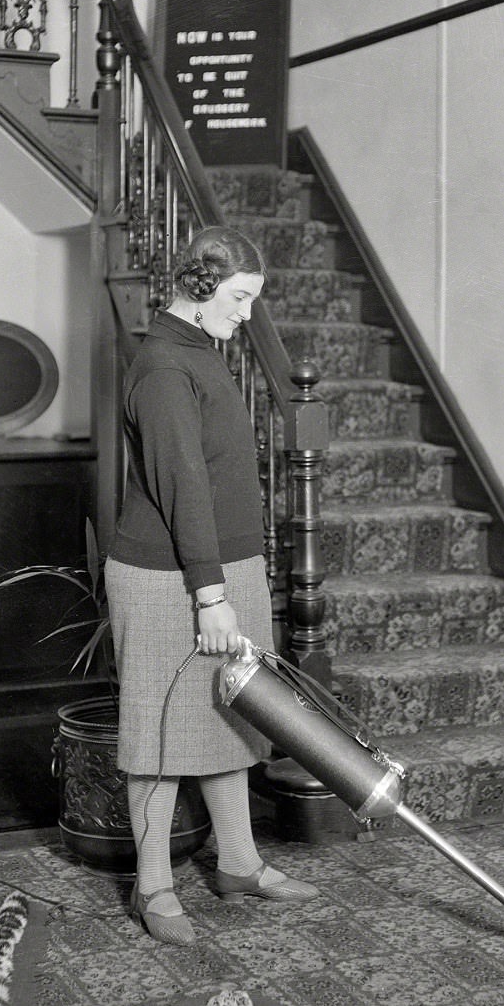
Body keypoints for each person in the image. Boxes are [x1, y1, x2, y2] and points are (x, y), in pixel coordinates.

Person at [105, 224, 317, 945]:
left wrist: (229, 581)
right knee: (161, 733)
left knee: (234, 714)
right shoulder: (165, 364)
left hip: (222, 569)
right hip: (172, 577)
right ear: (200, 287)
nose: (248, 313)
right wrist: (210, 594)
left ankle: (239, 862)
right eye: (240, 296)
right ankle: (154, 885)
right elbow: (182, 485)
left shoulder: (200, 350)